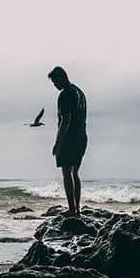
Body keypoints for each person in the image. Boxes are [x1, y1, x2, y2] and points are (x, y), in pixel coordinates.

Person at [48, 66, 87, 216]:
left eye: (55, 82)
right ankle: (77, 209)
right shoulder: (79, 92)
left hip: (69, 138)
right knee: (75, 173)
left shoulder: (65, 94)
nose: (55, 85)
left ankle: (72, 209)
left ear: (62, 77)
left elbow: (65, 120)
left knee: (66, 173)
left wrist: (58, 142)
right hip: (82, 136)